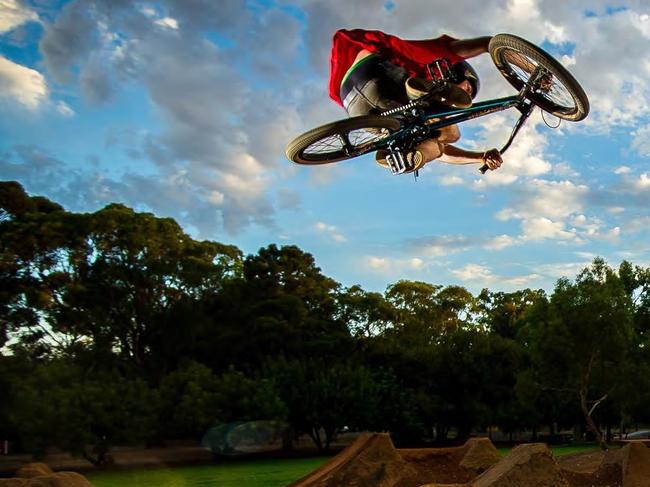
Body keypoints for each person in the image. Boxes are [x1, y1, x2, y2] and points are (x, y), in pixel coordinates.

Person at [329, 29, 503, 173]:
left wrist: (479, 157)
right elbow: (476, 45)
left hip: (355, 103)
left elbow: (441, 153)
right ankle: (423, 92)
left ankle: (406, 155)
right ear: (459, 72)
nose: (467, 94)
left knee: (435, 143)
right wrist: (495, 46)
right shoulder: (438, 63)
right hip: (381, 74)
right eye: (468, 89)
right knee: (452, 133)